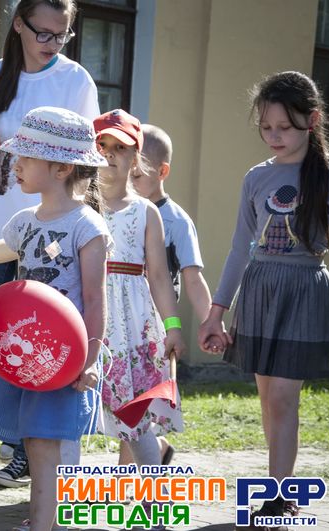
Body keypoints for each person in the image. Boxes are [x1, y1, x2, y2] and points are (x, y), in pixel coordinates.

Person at [0, 0, 100, 481]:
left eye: (62, 35)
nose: (52, 44)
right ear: (18, 24)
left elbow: (85, 158)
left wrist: (84, 225)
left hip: (50, 237)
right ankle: (22, 439)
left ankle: (29, 449)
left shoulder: (76, 80)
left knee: (39, 338)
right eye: (43, 33)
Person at [198, 71, 329, 527]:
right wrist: (215, 313)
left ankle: (280, 497)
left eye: (285, 127)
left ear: (311, 121)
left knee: (282, 398)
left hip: (304, 290)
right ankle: (278, 486)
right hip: (259, 290)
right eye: (266, 127)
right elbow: (240, 248)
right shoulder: (256, 177)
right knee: (267, 399)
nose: (274, 137)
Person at [0, 107, 110, 531]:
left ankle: (45, 523)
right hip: (30, 354)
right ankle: (44, 521)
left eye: (27, 158)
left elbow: (94, 299)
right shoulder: (24, 222)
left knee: (47, 446)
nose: (16, 165)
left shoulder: (87, 225)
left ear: (62, 168)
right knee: (35, 444)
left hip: (63, 359)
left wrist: (89, 359)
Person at [92, 109, 185, 528]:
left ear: (136, 159)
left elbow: (160, 276)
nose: (110, 155)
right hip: (89, 322)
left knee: (135, 419)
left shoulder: (146, 212)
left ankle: (154, 511)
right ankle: (52, 511)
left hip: (132, 329)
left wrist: (173, 327)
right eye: (103, 146)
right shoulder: (79, 206)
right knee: (65, 420)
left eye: (121, 148)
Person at [121, 123, 212, 467]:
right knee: (125, 402)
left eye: (137, 174)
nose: (129, 181)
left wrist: (210, 322)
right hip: (122, 322)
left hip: (156, 327)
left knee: (138, 405)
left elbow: (192, 279)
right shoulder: (121, 213)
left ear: (162, 172)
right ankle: (152, 452)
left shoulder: (176, 221)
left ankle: (128, 474)